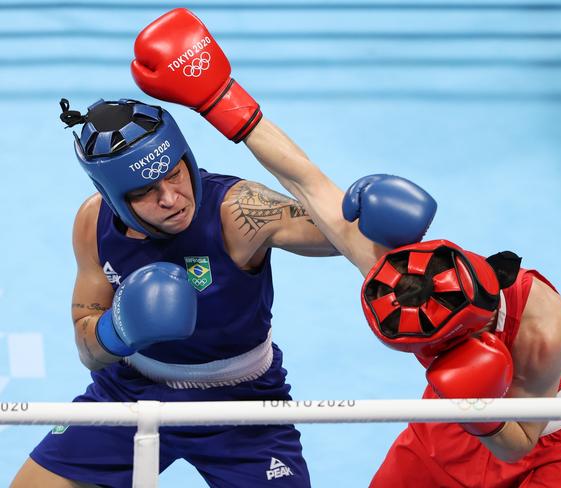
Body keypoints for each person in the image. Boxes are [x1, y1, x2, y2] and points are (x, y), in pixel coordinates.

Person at [112, 8, 561, 486]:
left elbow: (519, 442)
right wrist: (220, 96)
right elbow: (305, 179)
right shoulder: (398, 275)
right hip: (451, 419)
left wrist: (480, 413)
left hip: (549, 445)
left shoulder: (544, 329)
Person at [10, 28, 349, 488]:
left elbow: (334, 235)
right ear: (112, 197)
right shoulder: (93, 222)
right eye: (147, 192)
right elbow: (89, 350)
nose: (171, 198)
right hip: (129, 391)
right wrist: (118, 329)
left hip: (243, 403)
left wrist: (365, 216)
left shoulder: (236, 210)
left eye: (175, 175)